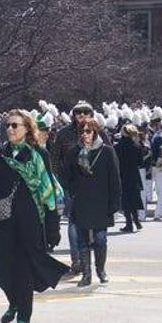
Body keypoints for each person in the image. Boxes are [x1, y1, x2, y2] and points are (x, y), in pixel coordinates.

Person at [0, 110, 67, 323]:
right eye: (8, 125)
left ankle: (24, 315)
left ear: (27, 128)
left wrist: (53, 227)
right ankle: (13, 301)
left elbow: (48, 192)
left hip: (30, 219)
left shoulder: (39, 154)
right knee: (0, 264)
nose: (10, 129)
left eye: (15, 125)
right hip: (3, 218)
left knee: (23, 268)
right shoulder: (1, 153)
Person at [64, 118, 121, 286]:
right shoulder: (74, 152)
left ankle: (100, 270)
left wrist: (115, 203)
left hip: (101, 202)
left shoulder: (107, 152)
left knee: (100, 239)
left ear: (95, 132)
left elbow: (115, 179)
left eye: (88, 131)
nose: (84, 135)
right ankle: (86, 274)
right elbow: (67, 176)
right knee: (82, 240)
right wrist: (73, 189)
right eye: (81, 132)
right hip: (81, 201)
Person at [52, 101, 93, 276]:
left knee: (91, 224)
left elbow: (107, 156)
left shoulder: (98, 132)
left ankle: (88, 261)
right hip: (70, 183)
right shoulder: (64, 134)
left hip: (92, 183)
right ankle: (76, 260)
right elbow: (54, 159)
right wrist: (60, 181)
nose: (82, 115)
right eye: (78, 112)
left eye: (86, 112)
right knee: (74, 222)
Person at [115, 125, 145, 233]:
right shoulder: (136, 146)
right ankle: (137, 221)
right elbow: (140, 163)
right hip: (134, 175)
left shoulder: (117, 147)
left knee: (125, 201)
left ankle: (129, 224)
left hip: (122, 175)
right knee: (134, 199)